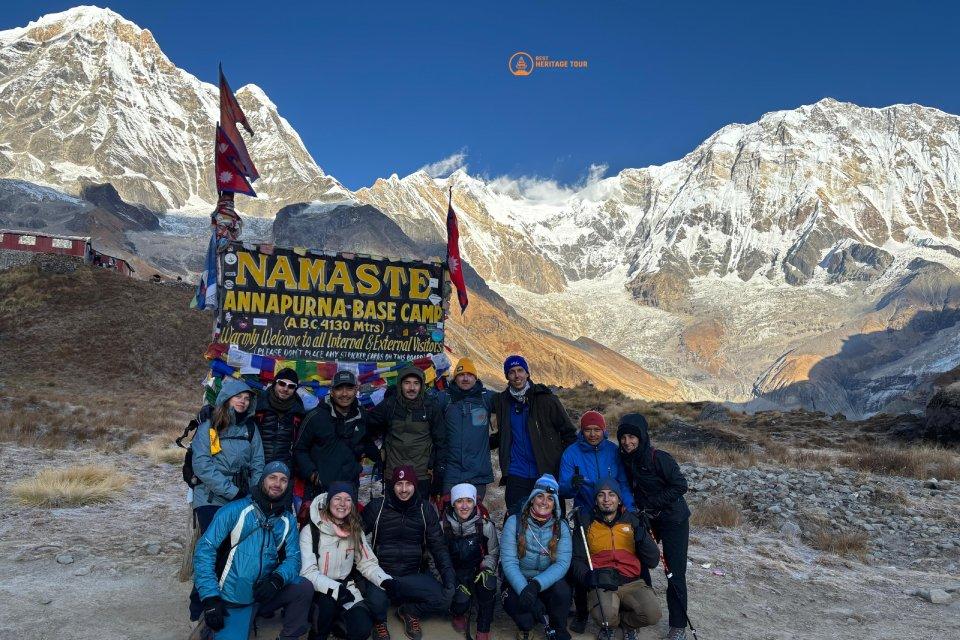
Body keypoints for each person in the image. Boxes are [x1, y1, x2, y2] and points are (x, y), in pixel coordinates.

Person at [193, 461, 312, 640]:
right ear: (263, 480)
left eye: (283, 480)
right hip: (233, 599)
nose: (277, 484)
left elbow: (294, 559)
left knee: (303, 587)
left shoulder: (286, 520)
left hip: (265, 592)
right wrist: (210, 598)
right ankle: (212, 627)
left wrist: (276, 580)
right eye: (272, 477)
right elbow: (205, 551)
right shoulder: (234, 510)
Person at [188, 377, 265, 620]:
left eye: (247, 398)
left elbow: (258, 463)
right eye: (238, 396)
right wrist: (233, 492)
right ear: (226, 398)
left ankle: (224, 597)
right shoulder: (208, 428)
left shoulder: (250, 429)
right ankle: (200, 604)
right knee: (213, 547)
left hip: (241, 496)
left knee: (234, 549)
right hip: (210, 497)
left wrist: (253, 492)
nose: (243, 401)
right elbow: (202, 466)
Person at [558, 410, 635, 632]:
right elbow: (563, 489)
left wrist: (629, 510)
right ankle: (582, 611)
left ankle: (618, 608)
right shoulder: (571, 453)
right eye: (587, 430)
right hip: (586, 512)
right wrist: (572, 484)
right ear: (581, 431)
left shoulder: (613, 451)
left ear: (604, 430)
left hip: (614, 511)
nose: (592, 434)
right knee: (582, 561)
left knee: (617, 555)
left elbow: (622, 482)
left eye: (596, 430)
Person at [618, 413, 691, 640]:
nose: (627, 442)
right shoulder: (625, 460)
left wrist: (650, 503)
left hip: (673, 520)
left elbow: (681, 485)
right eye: (623, 437)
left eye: (632, 437)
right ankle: (640, 611)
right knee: (635, 564)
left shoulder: (659, 458)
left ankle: (678, 626)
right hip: (647, 519)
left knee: (674, 572)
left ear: (642, 437)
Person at [361, 465, 456, 640]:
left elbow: (438, 547)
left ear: (415, 485)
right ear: (392, 485)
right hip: (381, 575)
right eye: (399, 484)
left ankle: (409, 611)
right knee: (375, 603)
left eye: (408, 484)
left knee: (445, 599)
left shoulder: (425, 509)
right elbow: (355, 536)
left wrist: (449, 580)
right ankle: (379, 622)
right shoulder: (377, 507)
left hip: (412, 575)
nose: (404, 489)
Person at [570, 478, 661, 640]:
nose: (606, 500)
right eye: (601, 495)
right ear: (595, 500)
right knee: (605, 616)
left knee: (652, 615)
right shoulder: (586, 524)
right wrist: (587, 577)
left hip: (632, 581)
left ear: (619, 499)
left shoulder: (633, 521)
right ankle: (611, 626)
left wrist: (644, 541)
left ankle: (623, 626)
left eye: (612, 494)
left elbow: (653, 561)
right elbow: (576, 560)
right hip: (604, 582)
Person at [300, 481, 393, 640]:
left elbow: (367, 562)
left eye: (348, 499)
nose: (342, 504)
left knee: (362, 629)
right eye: (337, 498)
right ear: (329, 501)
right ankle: (318, 631)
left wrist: (386, 581)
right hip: (320, 590)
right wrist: (336, 589)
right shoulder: (311, 531)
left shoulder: (354, 529)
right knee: (326, 607)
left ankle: (336, 624)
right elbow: (308, 572)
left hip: (347, 588)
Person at [491, 355, 577, 514]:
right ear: (506, 376)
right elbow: (503, 434)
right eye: (511, 372)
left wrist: (558, 459)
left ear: (527, 373)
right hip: (516, 472)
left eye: (520, 370)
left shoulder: (546, 399)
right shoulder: (502, 402)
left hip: (546, 471)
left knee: (552, 518)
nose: (517, 376)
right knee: (517, 517)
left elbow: (570, 433)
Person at [500, 474, 573, 640]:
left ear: (555, 504)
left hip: (544, 583)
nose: (544, 502)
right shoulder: (514, 522)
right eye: (540, 496)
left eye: (550, 498)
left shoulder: (561, 527)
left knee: (562, 590)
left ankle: (558, 626)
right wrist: (526, 590)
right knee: (526, 621)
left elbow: (562, 564)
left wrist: (536, 586)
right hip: (518, 582)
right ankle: (528, 624)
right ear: (532, 499)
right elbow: (509, 562)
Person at [367, 365, 446, 497]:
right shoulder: (390, 405)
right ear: (400, 385)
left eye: (416, 383)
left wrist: (438, 469)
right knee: (393, 514)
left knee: (419, 513)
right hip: (394, 472)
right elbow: (369, 423)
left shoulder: (431, 407)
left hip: (421, 473)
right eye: (407, 383)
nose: (412, 388)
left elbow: (441, 441)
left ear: (421, 386)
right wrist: (375, 450)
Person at [294, 370, 366, 499]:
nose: (344, 394)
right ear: (331, 391)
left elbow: (368, 441)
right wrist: (312, 475)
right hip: (319, 490)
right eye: (339, 389)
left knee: (350, 520)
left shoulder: (362, 416)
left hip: (349, 490)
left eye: (349, 388)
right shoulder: (315, 417)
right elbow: (299, 449)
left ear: (356, 390)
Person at [441, 483, 499, 640]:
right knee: (460, 599)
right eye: (459, 501)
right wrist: (448, 578)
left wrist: (486, 568)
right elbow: (436, 559)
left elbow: (493, 553)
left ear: (475, 502)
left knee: (488, 584)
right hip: (455, 573)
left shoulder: (485, 526)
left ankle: (483, 627)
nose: (465, 506)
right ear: (453, 504)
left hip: (477, 571)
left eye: (469, 501)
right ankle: (458, 613)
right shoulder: (443, 526)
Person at [440, 357, 496, 501]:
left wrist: (494, 442)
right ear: (455, 378)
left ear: (475, 378)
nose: (465, 378)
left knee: (475, 513)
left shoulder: (487, 398)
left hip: (478, 473)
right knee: (449, 513)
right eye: (461, 375)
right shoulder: (444, 399)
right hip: (451, 473)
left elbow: (511, 405)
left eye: (469, 375)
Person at [253, 368, 306, 468]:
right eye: (282, 383)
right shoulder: (257, 407)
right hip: (257, 466)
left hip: (285, 469)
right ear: (274, 384)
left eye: (291, 386)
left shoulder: (299, 413)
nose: (285, 389)